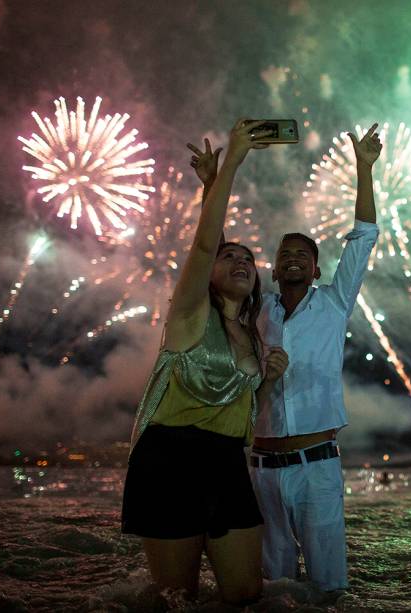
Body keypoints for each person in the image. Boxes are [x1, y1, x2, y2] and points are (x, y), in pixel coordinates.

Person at [122, 122, 289, 604]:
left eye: (248, 258)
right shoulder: (190, 314)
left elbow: (245, 410)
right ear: (207, 275)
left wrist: (269, 382)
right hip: (169, 459)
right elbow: (202, 245)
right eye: (229, 256)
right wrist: (229, 166)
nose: (241, 260)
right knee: (178, 597)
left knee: (245, 593)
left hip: (226, 463)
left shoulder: (252, 338)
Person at [246, 123, 382, 592]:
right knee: (273, 589)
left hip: (316, 464)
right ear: (274, 266)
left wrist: (364, 169)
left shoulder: (333, 302)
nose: (294, 258)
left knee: (329, 589)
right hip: (260, 469)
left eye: (304, 254)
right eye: (286, 253)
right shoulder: (257, 309)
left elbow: (363, 237)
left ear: (318, 268)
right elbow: (212, 268)